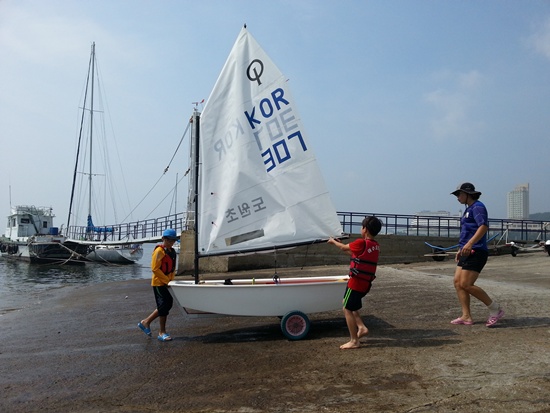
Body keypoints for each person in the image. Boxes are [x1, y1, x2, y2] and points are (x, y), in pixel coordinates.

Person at [450, 182, 504, 327]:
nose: (457, 197)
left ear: (468, 194)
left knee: (466, 284)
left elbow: (483, 226)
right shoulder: (469, 209)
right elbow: (467, 232)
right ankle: (466, 316)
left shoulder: (478, 207)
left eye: (459, 194)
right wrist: (461, 249)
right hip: (466, 251)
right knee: (457, 282)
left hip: (476, 250)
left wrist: (470, 244)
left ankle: (495, 309)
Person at [328, 216, 382, 349]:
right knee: (349, 304)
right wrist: (342, 245)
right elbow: (355, 254)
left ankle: (354, 340)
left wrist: (333, 242)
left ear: (365, 229)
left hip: (356, 283)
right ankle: (361, 327)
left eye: (362, 227)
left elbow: (343, 248)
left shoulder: (361, 242)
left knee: (346, 308)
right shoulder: (375, 246)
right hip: (365, 284)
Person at [138, 228, 179, 342]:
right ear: (163, 239)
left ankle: (146, 322)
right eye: (169, 240)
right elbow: (155, 268)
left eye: (173, 240)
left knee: (167, 305)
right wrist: (166, 281)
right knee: (163, 307)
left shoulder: (172, 251)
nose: (171, 242)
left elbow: (172, 268)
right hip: (158, 283)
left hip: (167, 282)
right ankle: (162, 332)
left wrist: (171, 281)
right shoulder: (159, 251)